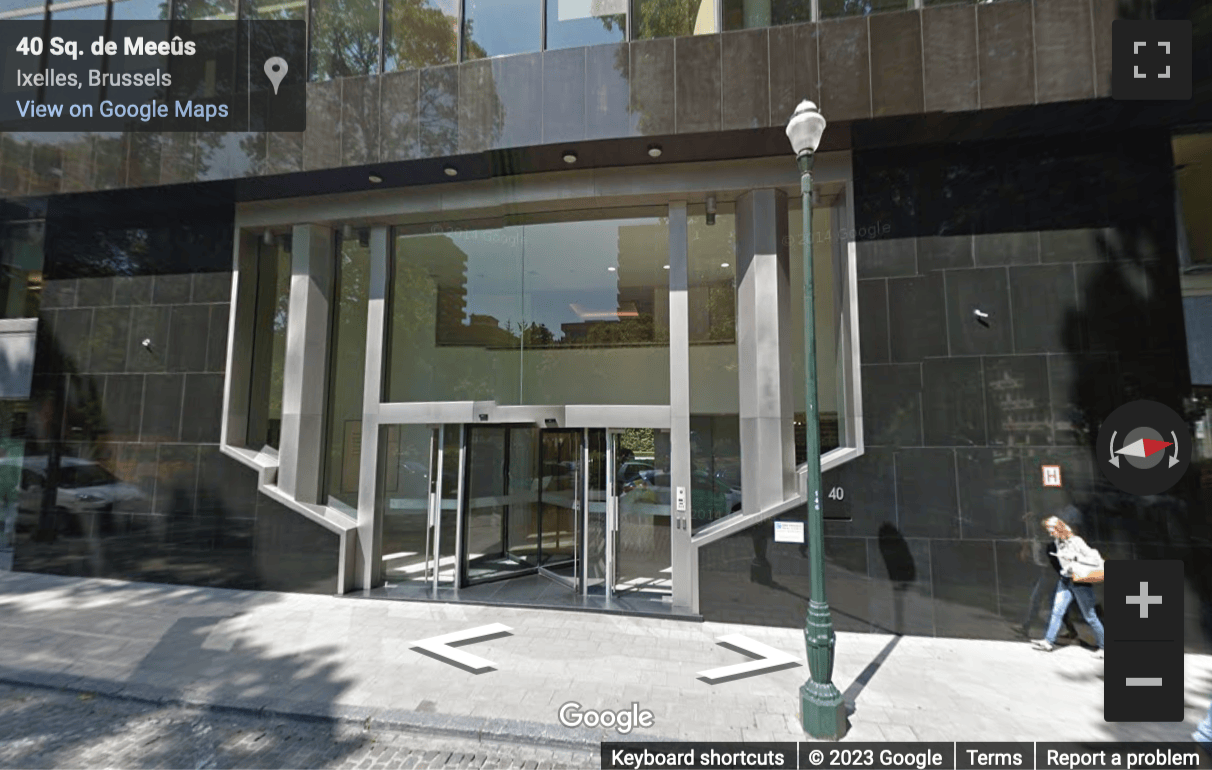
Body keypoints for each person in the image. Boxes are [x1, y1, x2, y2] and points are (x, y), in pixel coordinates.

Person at [1031, 515, 1106, 658]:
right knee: (1057, 611)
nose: (1049, 532)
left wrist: (1075, 559)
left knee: (1090, 616)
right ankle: (1048, 642)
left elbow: (1094, 558)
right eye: (1048, 530)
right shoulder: (1058, 542)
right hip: (1065, 580)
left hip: (1080, 581)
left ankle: (1104, 647)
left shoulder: (1076, 541)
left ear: (1059, 528)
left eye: (1051, 529)